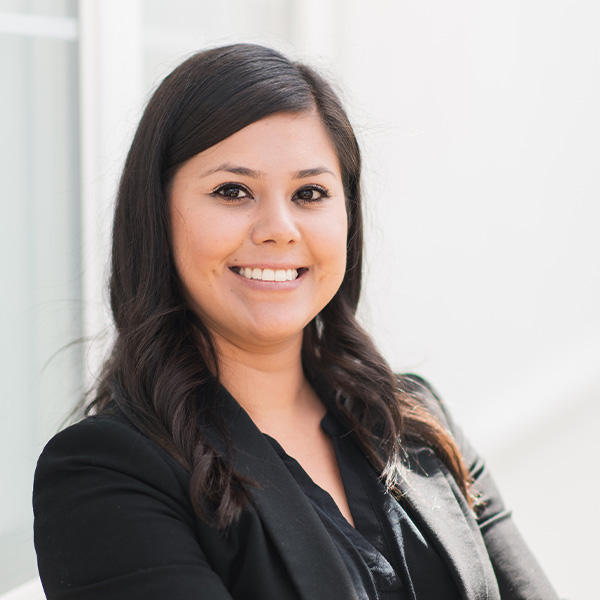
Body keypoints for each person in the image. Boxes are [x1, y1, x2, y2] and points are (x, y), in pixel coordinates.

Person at [33, 43, 558, 600]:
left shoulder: (417, 422)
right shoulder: (105, 474)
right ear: (156, 216)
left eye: (310, 193)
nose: (279, 228)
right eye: (232, 191)